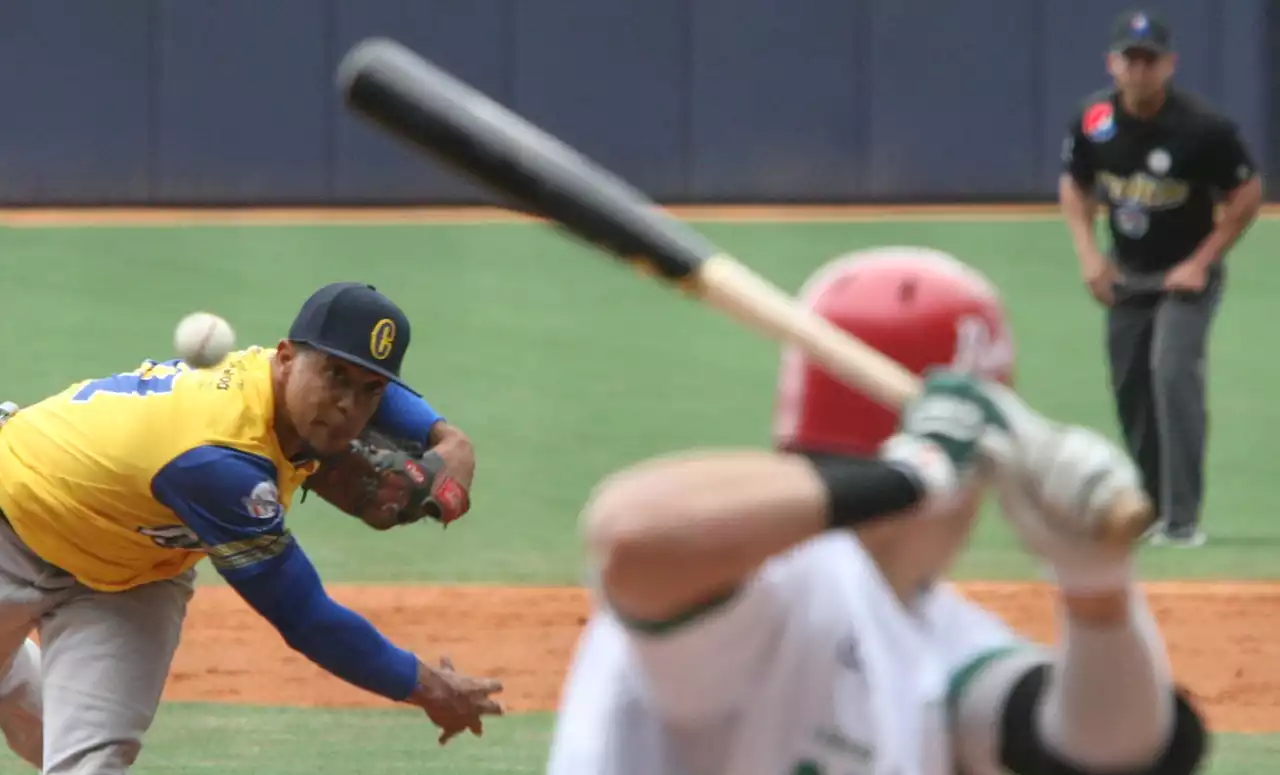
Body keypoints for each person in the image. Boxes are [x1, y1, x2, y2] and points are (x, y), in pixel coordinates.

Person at [545, 247, 1207, 775]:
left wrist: (1097, 588)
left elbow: (1115, 752)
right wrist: (912, 473)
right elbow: (630, 535)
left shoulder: (937, 631)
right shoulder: (777, 582)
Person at [0, 281, 503, 773]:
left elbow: (363, 380)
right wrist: (428, 687)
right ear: (284, 358)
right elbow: (304, 616)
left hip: (135, 572)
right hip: (12, 519)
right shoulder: (220, 461)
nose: (348, 406)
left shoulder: (280, 382)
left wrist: (447, 436)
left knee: (90, 761)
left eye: (368, 389)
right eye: (334, 377)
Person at [1058, 9, 1264, 547]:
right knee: (1131, 388)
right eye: (1131, 60)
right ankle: (1148, 505)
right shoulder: (1094, 119)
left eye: (1150, 61)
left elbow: (1246, 194)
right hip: (1127, 274)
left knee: (1172, 373)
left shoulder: (1202, 128)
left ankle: (1182, 520)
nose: (1140, 70)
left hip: (1184, 275)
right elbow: (1076, 183)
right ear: (1113, 63)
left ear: (1169, 65)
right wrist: (1089, 255)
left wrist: (1203, 259)